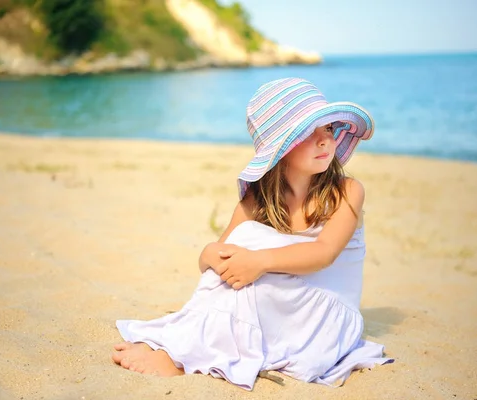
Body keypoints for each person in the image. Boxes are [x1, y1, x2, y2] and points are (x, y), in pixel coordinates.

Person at [112, 77, 393, 390]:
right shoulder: (259, 199)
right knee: (244, 239)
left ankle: (179, 358)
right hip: (286, 300)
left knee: (255, 266)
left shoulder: (346, 191)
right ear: (281, 149)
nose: (325, 140)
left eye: (327, 128)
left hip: (325, 314)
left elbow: (324, 252)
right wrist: (208, 254)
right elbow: (222, 253)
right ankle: (182, 346)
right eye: (308, 132)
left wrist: (259, 262)